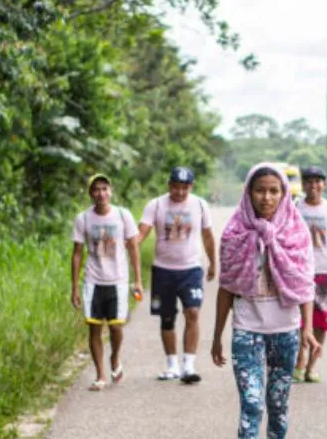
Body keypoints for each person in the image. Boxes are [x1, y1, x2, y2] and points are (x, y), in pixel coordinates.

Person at [211, 163, 321, 439]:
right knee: (252, 404)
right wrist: (216, 336)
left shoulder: (296, 230)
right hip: (246, 331)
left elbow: (305, 285)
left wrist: (307, 330)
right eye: (261, 190)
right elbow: (226, 288)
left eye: (275, 190)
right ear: (248, 192)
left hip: (285, 332)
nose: (267, 197)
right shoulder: (234, 232)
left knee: (277, 406)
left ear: (284, 193)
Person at [138, 167, 217, 384]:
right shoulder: (156, 205)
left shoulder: (200, 204)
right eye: (176, 187)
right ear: (168, 184)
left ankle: (189, 365)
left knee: (192, 312)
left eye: (185, 187)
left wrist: (213, 263)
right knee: (167, 318)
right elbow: (142, 232)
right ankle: (172, 364)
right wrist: (130, 246)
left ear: (191, 187)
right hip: (163, 270)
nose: (180, 192)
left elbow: (208, 235)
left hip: (191, 269)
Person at [70, 174, 143, 391]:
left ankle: (115, 358)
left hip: (118, 280)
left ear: (110, 191)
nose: (101, 193)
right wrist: (74, 287)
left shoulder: (123, 215)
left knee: (116, 328)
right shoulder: (83, 218)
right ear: (90, 194)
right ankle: (100, 374)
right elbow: (76, 254)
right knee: (94, 328)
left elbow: (133, 247)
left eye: (104, 188)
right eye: (96, 189)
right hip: (93, 280)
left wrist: (138, 279)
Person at [292, 165, 327, 383]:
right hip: (300, 272)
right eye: (309, 182)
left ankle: (312, 367)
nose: (313, 186)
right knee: (298, 321)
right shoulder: (295, 207)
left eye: (318, 181)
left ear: (324, 184)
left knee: (322, 322)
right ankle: (299, 362)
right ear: (303, 185)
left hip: (324, 272)